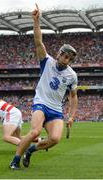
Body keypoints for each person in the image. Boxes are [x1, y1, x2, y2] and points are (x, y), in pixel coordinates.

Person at [10, 4, 78, 170]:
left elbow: (73, 97)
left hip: (56, 109)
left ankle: (31, 150)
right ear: (59, 53)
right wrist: (36, 21)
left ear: (70, 61)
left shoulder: (72, 75)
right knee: (34, 132)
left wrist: (71, 116)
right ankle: (15, 160)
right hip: (41, 103)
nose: (65, 59)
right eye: (63, 55)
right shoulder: (46, 61)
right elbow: (38, 41)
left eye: (68, 58)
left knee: (55, 139)